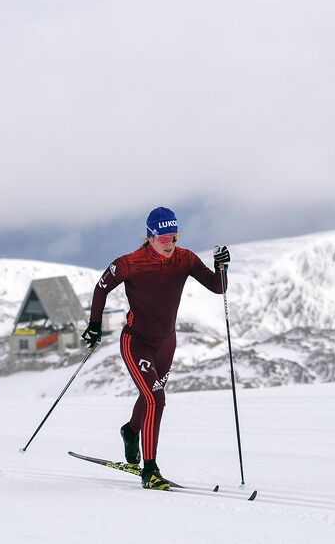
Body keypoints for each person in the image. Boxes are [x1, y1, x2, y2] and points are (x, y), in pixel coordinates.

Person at [81, 206, 231, 490]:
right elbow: (101, 288)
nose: (170, 244)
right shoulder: (130, 263)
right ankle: (149, 470)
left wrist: (222, 268)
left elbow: (217, 287)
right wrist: (95, 325)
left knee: (151, 395)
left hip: (166, 343)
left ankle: (130, 430)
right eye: (163, 238)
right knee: (156, 399)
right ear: (150, 237)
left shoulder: (185, 259)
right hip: (136, 342)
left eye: (174, 237)